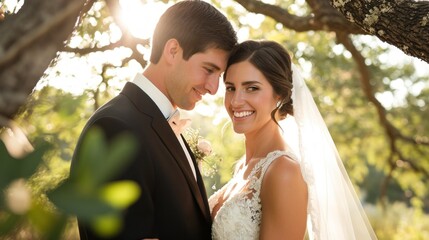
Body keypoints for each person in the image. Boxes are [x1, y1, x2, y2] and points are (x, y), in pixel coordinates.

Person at [70, 1, 237, 239]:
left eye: (219, 76)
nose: (213, 88)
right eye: (209, 70)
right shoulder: (115, 128)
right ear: (172, 51)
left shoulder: (161, 122)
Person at [209, 40, 378, 240]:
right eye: (230, 88)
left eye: (251, 88)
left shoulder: (284, 171)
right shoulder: (243, 167)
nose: (236, 101)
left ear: (279, 95)